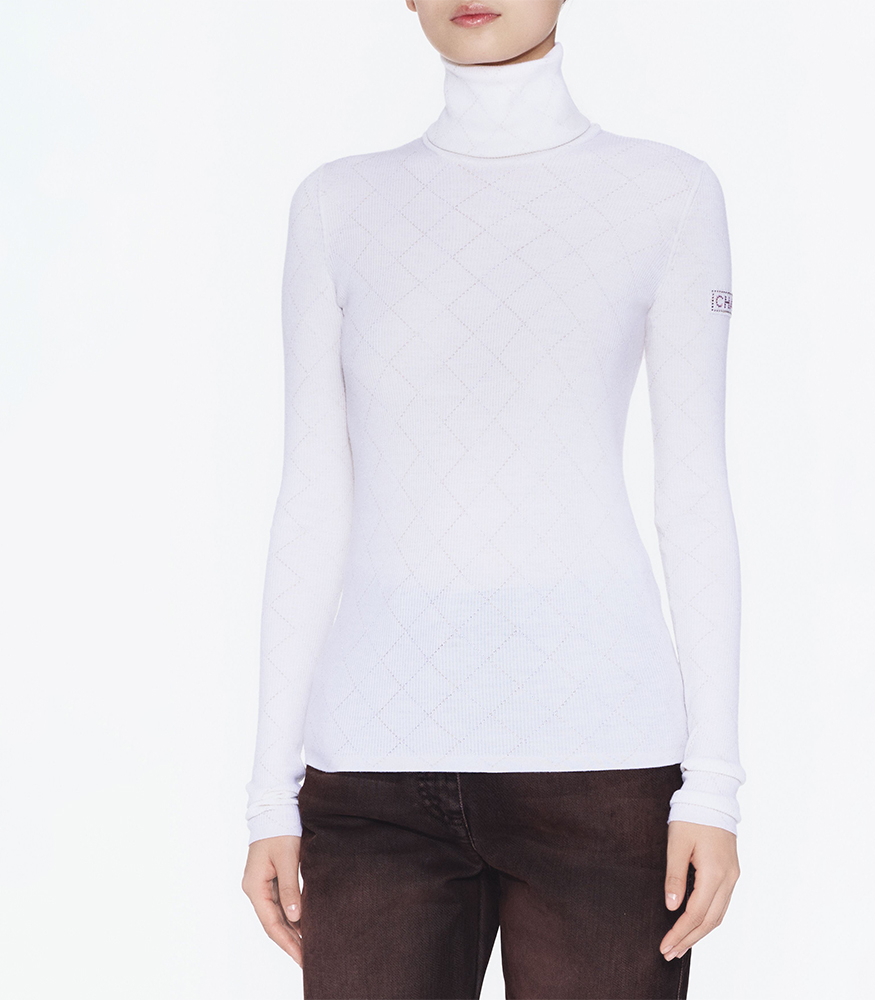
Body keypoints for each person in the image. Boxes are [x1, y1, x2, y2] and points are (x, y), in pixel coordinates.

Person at [241, 2, 746, 997]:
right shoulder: (336, 207)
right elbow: (310, 499)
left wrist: (715, 785)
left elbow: (693, 492)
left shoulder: (669, 194)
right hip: (371, 780)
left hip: (604, 769)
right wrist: (269, 792)